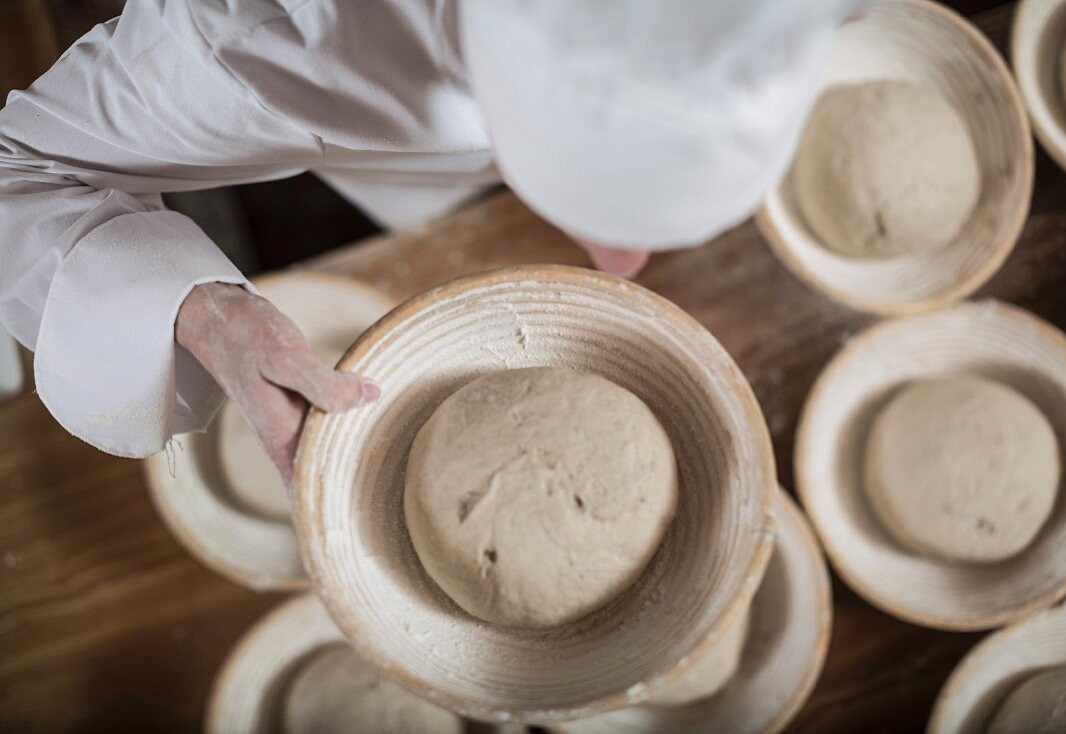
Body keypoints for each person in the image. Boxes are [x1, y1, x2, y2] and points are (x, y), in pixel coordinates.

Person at [0, 0, 860, 484]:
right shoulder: (258, 32)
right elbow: (17, 170)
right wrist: (203, 312)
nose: (623, 268)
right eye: (609, 232)